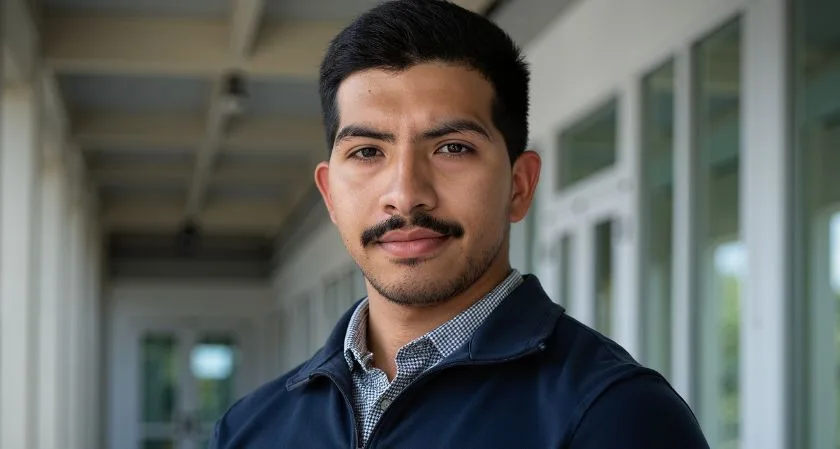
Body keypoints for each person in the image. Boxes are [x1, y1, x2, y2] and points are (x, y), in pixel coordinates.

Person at [209, 0, 710, 447]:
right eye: (367, 152)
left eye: (452, 148)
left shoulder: (616, 416)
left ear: (519, 186)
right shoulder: (250, 429)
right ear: (330, 195)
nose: (405, 194)